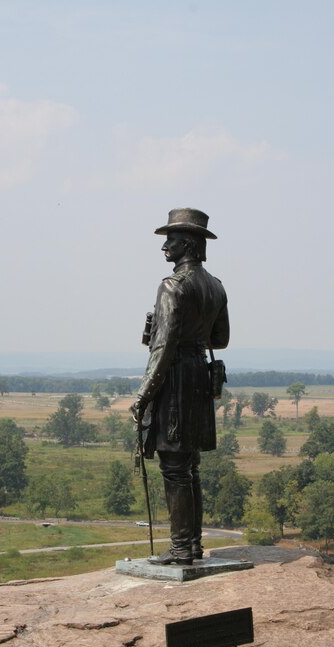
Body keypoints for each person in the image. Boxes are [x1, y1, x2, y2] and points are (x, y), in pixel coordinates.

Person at [132, 208, 229, 565]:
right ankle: (193, 546)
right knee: (190, 467)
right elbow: (221, 338)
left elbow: (163, 345)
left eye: (170, 240)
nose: (164, 248)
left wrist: (143, 394)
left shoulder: (172, 286)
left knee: (174, 468)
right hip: (199, 377)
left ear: (187, 243)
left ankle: (179, 548)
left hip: (174, 380)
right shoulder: (216, 287)